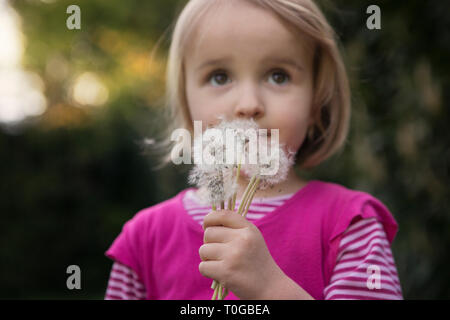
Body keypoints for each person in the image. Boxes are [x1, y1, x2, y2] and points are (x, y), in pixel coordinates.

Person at [104, 0, 403, 300]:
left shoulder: (351, 224)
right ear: (186, 102)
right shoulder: (142, 240)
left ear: (316, 103)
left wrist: (270, 288)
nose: (248, 104)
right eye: (219, 76)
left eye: (278, 75)